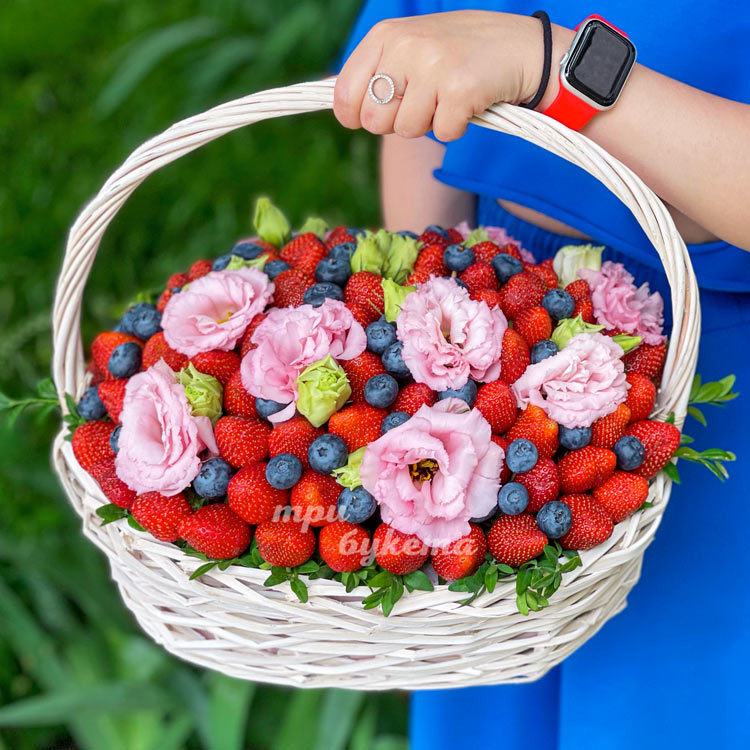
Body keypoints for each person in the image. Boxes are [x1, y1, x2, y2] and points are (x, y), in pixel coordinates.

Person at [336, 3, 750, 749]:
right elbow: (415, 52)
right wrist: (423, 330)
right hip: (498, 312)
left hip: (716, 360)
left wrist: (551, 64)